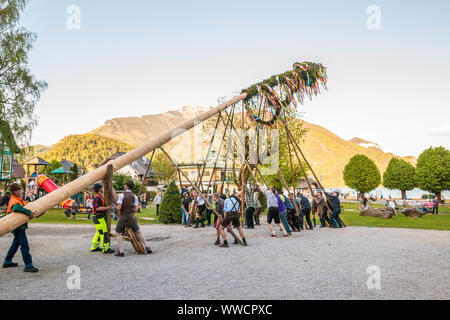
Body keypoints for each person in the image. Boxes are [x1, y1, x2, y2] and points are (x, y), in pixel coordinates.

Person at [2, 183, 38, 273]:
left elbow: (28, 208)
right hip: (17, 225)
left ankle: (7, 261)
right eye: (19, 190)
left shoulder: (19, 199)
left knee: (16, 243)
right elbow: (16, 208)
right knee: (24, 244)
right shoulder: (14, 200)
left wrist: (38, 212)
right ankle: (28, 265)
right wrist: (28, 213)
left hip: (19, 225)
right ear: (15, 192)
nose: (21, 191)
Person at [114, 180, 152, 257]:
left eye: (125, 185)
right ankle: (147, 247)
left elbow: (119, 207)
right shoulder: (134, 196)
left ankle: (121, 252)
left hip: (123, 216)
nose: (124, 186)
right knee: (138, 231)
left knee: (117, 233)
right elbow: (135, 209)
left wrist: (114, 207)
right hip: (131, 215)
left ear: (126, 186)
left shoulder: (122, 195)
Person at [90, 183, 114, 254]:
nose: (103, 189)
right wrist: (108, 208)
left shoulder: (99, 196)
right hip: (98, 217)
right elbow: (97, 208)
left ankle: (94, 247)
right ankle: (105, 249)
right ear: (99, 189)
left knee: (99, 232)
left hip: (97, 217)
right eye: (102, 188)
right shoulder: (98, 197)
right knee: (104, 232)